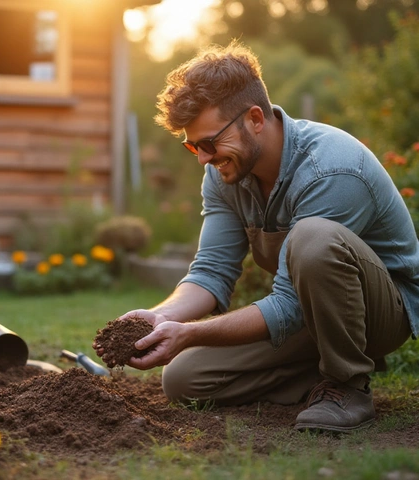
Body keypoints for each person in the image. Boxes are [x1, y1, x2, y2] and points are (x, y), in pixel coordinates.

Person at [93, 41, 419, 433]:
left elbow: (287, 304)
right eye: (192, 146)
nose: (202, 158)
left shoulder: (331, 170)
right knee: (185, 379)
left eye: (209, 143)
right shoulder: (224, 173)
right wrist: (162, 317)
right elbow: (210, 272)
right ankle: (317, 374)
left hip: (383, 312)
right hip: (311, 312)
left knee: (312, 238)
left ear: (255, 119)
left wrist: (191, 332)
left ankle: (347, 385)